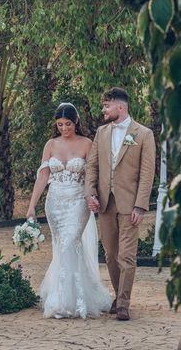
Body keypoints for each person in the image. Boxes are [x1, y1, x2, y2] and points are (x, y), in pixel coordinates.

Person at [26, 102, 112, 319]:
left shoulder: (87, 144)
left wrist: (92, 197)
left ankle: (69, 301)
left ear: (76, 122)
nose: (64, 128)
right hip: (54, 203)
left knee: (69, 243)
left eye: (68, 124)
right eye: (60, 124)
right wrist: (31, 206)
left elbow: (92, 176)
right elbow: (43, 177)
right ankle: (64, 296)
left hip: (78, 202)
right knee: (61, 247)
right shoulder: (50, 145)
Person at [85, 87, 155, 321]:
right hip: (105, 203)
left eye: (107, 106)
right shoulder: (101, 132)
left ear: (120, 107)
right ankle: (118, 294)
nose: (103, 110)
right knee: (111, 254)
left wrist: (141, 206)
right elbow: (92, 166)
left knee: (127, 255)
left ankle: (123, 303)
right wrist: (90, 194)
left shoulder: (144, 134)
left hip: (130, 204)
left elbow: (147, 173)